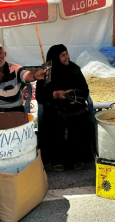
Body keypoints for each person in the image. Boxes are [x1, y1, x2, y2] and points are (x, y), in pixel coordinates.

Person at [35, 44, 94, 172]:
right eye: (63, 55)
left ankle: (78, 158)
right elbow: (39, 95)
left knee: (79, 119)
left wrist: (74, 95)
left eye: (66, 53)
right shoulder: (46, 72)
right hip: (54, 106)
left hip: (74, 106)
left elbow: (85, 89)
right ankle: (56, 159)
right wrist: (55, 95)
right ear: (55, 57)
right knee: (53, 121)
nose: (67, 57)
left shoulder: (74, 69)